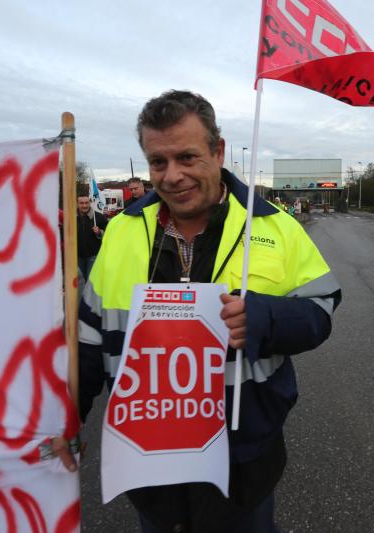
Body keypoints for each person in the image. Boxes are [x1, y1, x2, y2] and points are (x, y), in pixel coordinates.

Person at [68, 90, 341, 533]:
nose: (172, 176)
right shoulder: (120, 232)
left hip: (243, 459)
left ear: (218, 152)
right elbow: (89, 338)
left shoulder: (275, 226)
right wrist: (68, 417)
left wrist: (265, 319)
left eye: (187, 157)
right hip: (148, 462)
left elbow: (321, 311)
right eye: (158, 162)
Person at [76, 194, 108, 281]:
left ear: (90, 203)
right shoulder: (72, 217)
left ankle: (89, 295)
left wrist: (99, 232)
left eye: (86, 203)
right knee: (80, 280)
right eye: (81, 203)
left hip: (93, 256)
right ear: (77, 204)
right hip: (76, 256)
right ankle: (81, 295)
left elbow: (108, 234)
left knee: (91, 280)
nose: (84, 205)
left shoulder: (99, 217)